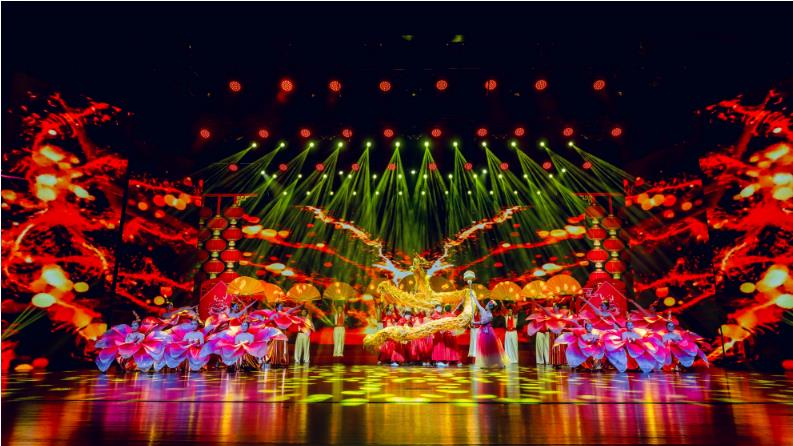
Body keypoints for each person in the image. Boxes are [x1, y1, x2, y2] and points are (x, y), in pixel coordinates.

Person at [470, 292, 507, 368]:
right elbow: (478, 304)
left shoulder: (490, 316)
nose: (486, 305)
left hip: (488, 333)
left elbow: (482, 322)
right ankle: (486, 363)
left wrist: (474, 322)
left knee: (490, 348)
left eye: (487, 305)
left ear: (490, 307)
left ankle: (499, 363)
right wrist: (473, 296)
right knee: (484, 349)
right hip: (483, 331)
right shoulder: (483, 311)